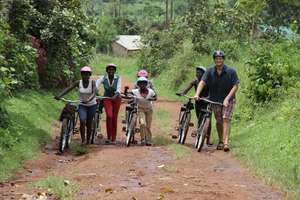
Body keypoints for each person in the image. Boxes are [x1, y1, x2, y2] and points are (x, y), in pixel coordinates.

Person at [194, 50, 240, 152]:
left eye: (220, 58)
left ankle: (226, 142)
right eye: (216, 58)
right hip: (215, 100)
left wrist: (227, 99)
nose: (218, 60)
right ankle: (220, 140)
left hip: (229, 99)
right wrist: (197, 94)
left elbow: (236, 86)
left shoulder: (231, 71)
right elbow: (202, 82)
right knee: (219, 121)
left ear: (223, 60)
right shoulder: (210, 71)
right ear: (214, 60)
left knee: (226, 118)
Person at [55, 66, 97, 144]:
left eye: (87, 74)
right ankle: (83, 140)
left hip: (92, 105)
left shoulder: (92, 82)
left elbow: (94, 93)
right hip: (82, 105)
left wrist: (89, 99)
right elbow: (69, 88)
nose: (85, 76)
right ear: (81, 75)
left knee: (89, 123)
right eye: (84, 74)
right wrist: (60, 95)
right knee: (82, 120)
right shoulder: (78, 82)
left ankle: (88, 140)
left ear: (90, 75)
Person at [176, 66, 212, 145]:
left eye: (199, 72)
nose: (197, 74)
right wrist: (183, 93)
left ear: (204, 74)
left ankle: (208, 139)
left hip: (206, 102)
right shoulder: (195, 81)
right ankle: (199, 135)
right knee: (199, 118)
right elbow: (187, 88)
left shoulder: (208, 82)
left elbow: (211, 94)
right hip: (198, 103)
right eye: (196, 72)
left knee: (208, 121)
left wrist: (205, 98)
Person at [96, 63, 122, 144]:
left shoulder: (118, 78)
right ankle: (109, 136)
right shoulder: (103, 78)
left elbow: (118, 88)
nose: (111, 71)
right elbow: (96, 85)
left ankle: (113, 138)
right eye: (109, 69)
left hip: (116, 98)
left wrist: (116, 95)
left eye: (113, 69)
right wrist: (95, 92)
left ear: (115, 71)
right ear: (107, 71)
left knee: (114, 117)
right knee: (109, 115)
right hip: (107, 98)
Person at [131, 77, 157, 146]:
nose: (142, 85)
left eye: (144, 83)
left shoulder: (151, 91)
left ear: (146, 84)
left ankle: (148, 140)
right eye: (140, 83)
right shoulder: (135, 91)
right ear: (138, 84)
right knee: (142, 123)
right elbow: (129, 94)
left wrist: (151, 98)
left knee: (148, 126)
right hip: (140, 109)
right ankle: (143, 139)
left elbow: (155, 97)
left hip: (149, 109)